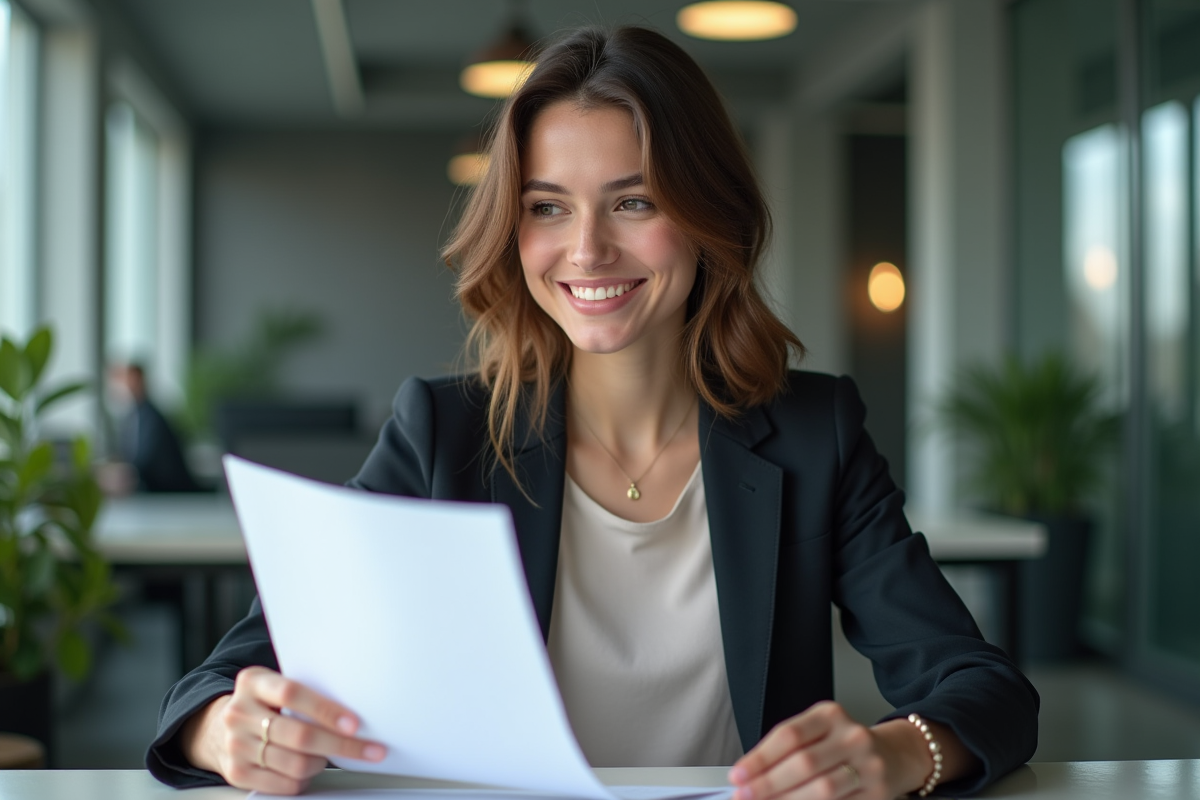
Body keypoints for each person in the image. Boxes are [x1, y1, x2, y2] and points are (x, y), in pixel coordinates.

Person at [146, 26, 1038, 798]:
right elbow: (228, 674)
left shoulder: (817, 433)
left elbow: (981, 686)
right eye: (547, 207)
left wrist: (893, 754)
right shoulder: (442, 434)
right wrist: (225, 730)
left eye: (635, 201)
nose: (586, 249)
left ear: (706, 216)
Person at [106, 363, 202, 493]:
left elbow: (145, 459)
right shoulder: (131, 417)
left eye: (131, 380)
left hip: (167, 492)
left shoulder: (152, 417)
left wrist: (124, 472)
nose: (126, 386)